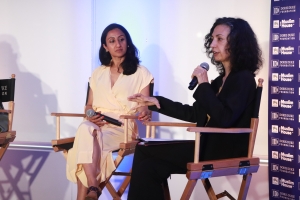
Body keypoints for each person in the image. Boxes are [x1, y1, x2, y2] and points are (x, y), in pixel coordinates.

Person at [127, 17, 263, 200]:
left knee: (144, 151)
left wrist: (204, 84)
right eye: (212, 39)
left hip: (224, 151)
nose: (213, 44)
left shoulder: (244, 79)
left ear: (238, 42)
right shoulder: (219, 82)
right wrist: (156, 102)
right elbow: (194, 113)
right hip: (207, 147)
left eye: (220, 39)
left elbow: (224, 118)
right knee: (148, 165)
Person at [66, 23, 153, 200]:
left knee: (85, 144)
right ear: (105, 47)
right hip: (96, 124)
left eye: (121, 39)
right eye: (112, 41)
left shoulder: (141, 72)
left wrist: (144, 110)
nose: (118, 44)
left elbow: (145, 104)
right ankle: (93, 187)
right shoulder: (98, 73)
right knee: (86, 129)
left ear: (128, 42)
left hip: (123, 127)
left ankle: (89, 191)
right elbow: (88, 107)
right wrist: (92, 116)